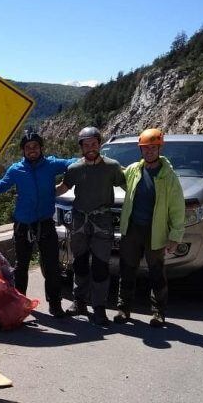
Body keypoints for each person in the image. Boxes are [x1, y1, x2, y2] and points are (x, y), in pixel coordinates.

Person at [0, 129, 78, 318]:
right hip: (23, 225)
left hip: (46, 224)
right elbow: (0, 187)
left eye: (36, 147)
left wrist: (88, 160)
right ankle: (20, 306)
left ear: (41, 148)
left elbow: (72, 163)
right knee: (21, 267)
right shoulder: (16, 169)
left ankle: (55, 306)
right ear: (23, 150)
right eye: (28, 147)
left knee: (52, 266)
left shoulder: (51, 165)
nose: (32, 150)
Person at [114, 128, 185, 327]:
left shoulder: (169, 176)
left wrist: (174, 236)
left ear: (160, 148)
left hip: (156, 231)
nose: (149, 151)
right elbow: (117, 177)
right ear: (141, 150)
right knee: (127, 269)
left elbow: (177, 208)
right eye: (146, 148)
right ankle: (123, 309)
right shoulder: (134, 169)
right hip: (133, 229)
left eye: (153, 148)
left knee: (156, 271)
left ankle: (158, 313)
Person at [56, 126, 126, 326]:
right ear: (81, 147)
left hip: (102, 219)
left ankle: (99, 307)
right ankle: (79, 302)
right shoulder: (75, 169)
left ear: (99, 144)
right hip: (79, 219)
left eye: (94, 144)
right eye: (86, 145)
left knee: (100, 265)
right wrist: (40, 193)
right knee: (79, 262)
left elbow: (128, 185)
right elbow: (63, 188)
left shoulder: (112, 167)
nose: (90, 148)